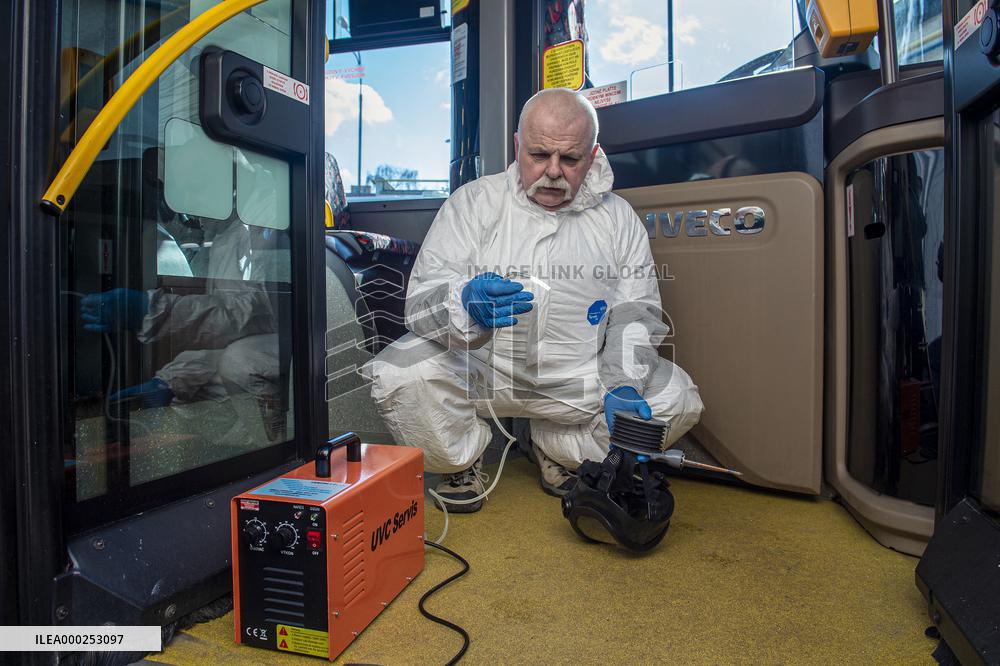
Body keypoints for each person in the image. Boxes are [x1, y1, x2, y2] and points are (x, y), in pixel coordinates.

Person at [365, 88, 703, 512]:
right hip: (485, 372)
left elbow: (636, 313)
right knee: (400, 373)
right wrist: (463, 303)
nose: (554, 172)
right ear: (517, 145)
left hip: (576, 377)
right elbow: (419, 304)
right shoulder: (474, 203)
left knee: (677, 398)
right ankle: (460, 462)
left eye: (570, 159)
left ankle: (557, 446)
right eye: (540, 155)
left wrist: (623, 383)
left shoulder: (618, 219)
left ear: (593, 155)